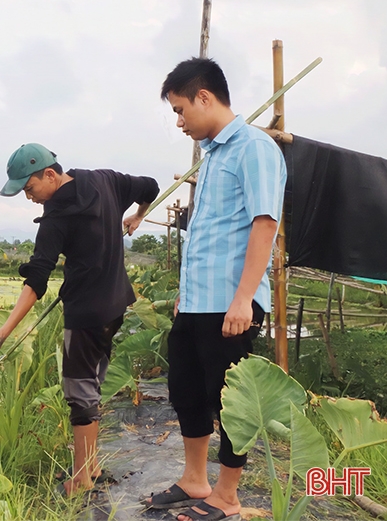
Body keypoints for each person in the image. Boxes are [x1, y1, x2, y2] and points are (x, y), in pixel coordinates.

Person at [145, 58, 287, 521]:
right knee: (186, 390)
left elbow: (264, 224)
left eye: (181, 110)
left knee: (230, 402)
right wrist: (185, 297)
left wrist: (244, 298)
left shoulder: (254, 148)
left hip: (231, 303)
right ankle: (194, 479)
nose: (180, 122)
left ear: (205, 97)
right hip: (198, 303)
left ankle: (226, 496)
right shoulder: (214, 156)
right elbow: (208, 233)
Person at [0, 143, 159, 497]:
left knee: (79, 392)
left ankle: (81, 479)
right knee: (91, 384)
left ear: (49, 174)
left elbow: (36, 281)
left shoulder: (55, 217)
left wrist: (2, 332)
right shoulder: (105, 181)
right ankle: (89, 465)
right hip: (116, 307)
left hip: (86, 313)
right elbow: (150, 186)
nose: (29, 198)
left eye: (29, 189)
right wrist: (139, 213)